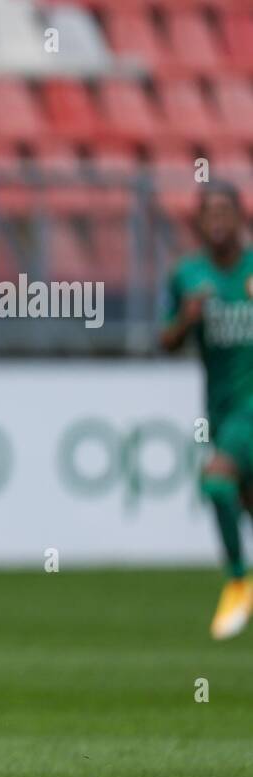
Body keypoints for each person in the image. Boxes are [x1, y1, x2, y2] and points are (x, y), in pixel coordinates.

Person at [160, 181, 253, 639]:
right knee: (245, 500)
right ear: (199, 223)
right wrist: (186, 318)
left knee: (217, 482)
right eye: (209, 213)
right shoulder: (187, 275)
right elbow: (165, 341)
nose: (217, 220)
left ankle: (238, 581)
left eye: (225, 211)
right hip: (221, 408)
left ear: (240, 218)